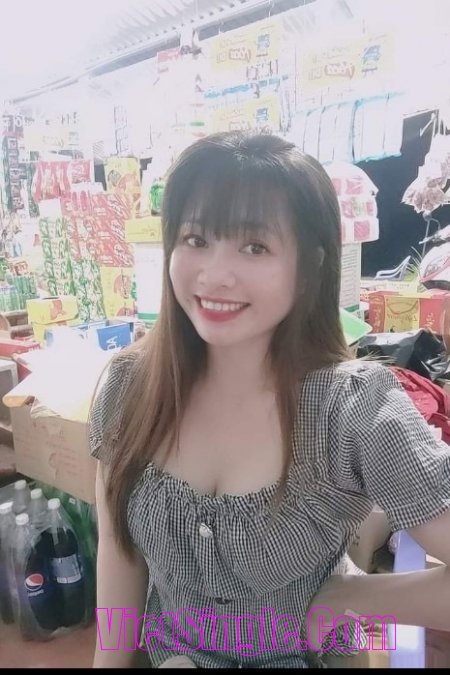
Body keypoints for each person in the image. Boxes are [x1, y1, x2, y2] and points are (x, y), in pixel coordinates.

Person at [90, 130, 450, 669]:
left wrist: (351, 596)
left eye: (254, 247)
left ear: (309, 268)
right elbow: (119, 552)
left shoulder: (353, 412)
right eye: (196, 239)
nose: (215, 274)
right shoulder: (130, 387)